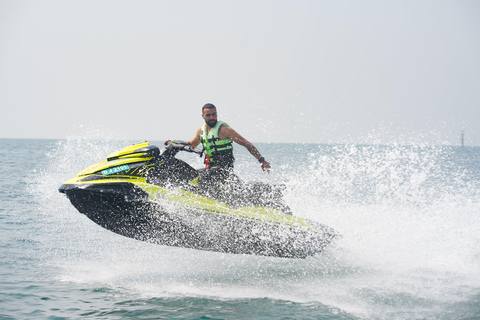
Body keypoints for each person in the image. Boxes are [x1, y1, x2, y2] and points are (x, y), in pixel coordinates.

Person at [186, 103, 271, 172]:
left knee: (204, 177)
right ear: (203, 116)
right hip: (210, 168)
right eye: (208, 115)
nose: (212, 117)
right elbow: (192, 144)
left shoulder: (224, 130)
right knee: (191, 174)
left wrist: (261, 160)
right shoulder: (201, 131)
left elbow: (246, 143)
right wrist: (174, 143)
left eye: (214, 114)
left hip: (224, 170)